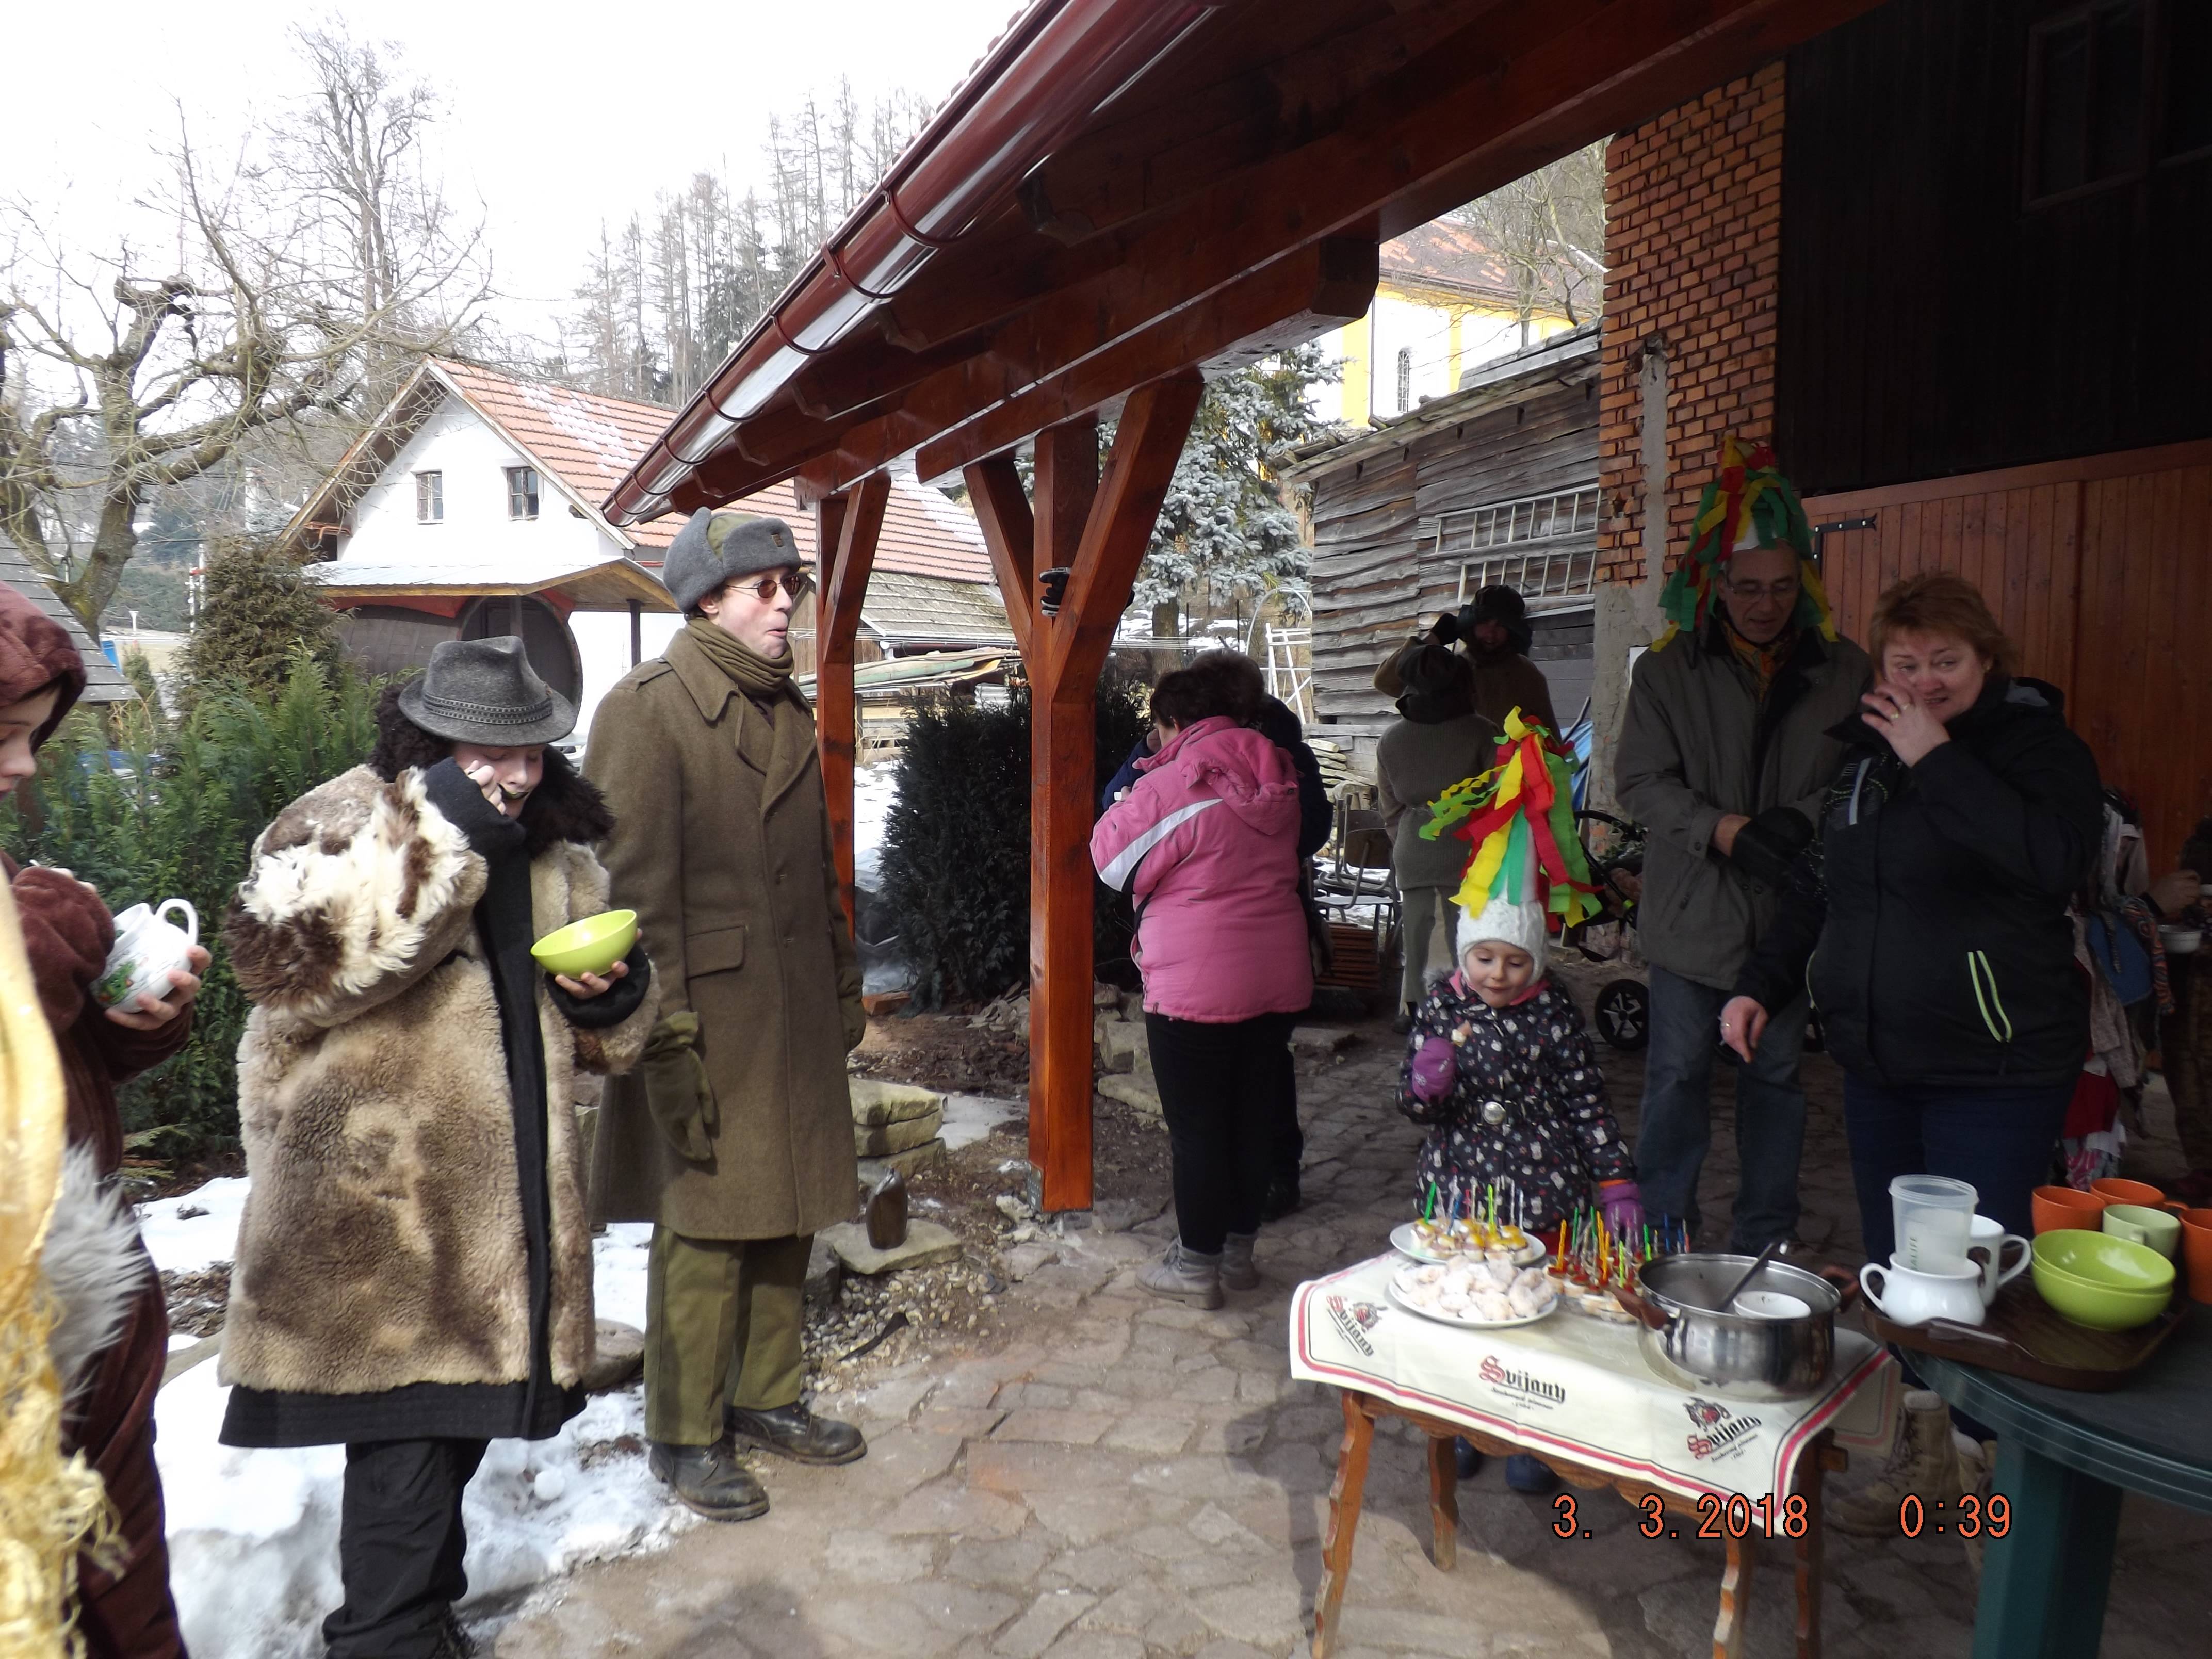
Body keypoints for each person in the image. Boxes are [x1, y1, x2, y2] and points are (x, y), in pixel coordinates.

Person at [220, 637, 657, 1659]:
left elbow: (608, 1043)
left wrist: (614, 994)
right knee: (405, 1442)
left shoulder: (556, 856)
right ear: (425, 744)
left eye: (530, 755)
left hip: (499, 1213)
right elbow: (296, 979)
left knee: (449, 1432)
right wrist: (444, 837)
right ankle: (385, 1637)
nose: (515, 777)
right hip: (379, 1203)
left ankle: (420, 1618)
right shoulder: (338, 824)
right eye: (486, 755)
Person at [1721, 571, 2102, 1532]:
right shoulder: (1864, 762)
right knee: (1900, 1266)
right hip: (1879, 1063)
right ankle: (1926, 1454)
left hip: (1995, 1066)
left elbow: (2054, 860)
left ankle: (1993, 1486)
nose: (1924, 682)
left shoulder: (2035, 749)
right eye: (1904, 664)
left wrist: (1937, 757)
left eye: (1945, 662)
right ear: (1879, 669)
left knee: (1978, 1277)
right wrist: (1760, 983)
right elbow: (1821, 886)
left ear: (1986, 662)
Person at [589, 508, 870, 1524]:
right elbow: (630, 900)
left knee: (787, 1213)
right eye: (765, 588)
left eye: (790, 586)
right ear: (708, 600)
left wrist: (842, 986)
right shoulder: (647, 711)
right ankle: (683, 1434)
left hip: (792, 1016)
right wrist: (663, 1040)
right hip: (707, 1023)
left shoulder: (781, 704)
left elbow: (819, 870)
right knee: (705, 1229)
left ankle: (765, 1397)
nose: (785, 604)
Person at [2, 585, 201, 1657]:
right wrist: (49, 932)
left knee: (121, 1595)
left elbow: (41, 1072)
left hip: (83, 1320)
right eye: (2, 736)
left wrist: (125, 1031)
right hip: (20, 1361)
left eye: (31, 737)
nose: (24, 767)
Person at [1615, 439, 1871, 1254]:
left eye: (1783, 587)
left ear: (1805, 583)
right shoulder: (1669, 672)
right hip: (1692, 916)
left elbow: (1865, 777)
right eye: (1749, 588)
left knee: (1777, 1080)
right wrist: (1725, 830)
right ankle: (1664, 1233)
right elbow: (1641, 782)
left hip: (1787, 920)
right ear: (1718, 585)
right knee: (1677, 1077)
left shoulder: (1845, 670)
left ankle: (1767, 1236)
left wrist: (1800, 819)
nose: (1766, 605)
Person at [1397, 711, 1640, 1494]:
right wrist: (1428, 1082)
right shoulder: (1443, 1006)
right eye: (1485, 958)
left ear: (1534, 958)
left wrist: (1614, 1178)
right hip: (1461, 1189)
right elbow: (1416, 1108)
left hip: (1543, 1189)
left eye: (1514, 961)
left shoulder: (1554, 1008)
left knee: (1538, 1311)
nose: (1498, 975)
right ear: (1465, 954)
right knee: (1467, 1307)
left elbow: (1584, 1097)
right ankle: (1462, 1419)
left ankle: (1532, 1433)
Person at [1092, 661, 1313, 1310]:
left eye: (1158, 728)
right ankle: (1238, 1258)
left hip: (1196, 982)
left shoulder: (1176, 780)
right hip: (1275, 972)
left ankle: (1195, 1268)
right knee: (1251, 1120)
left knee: (1198, 1130)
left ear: (1173, 721)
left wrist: (1136, 790)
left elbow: (1111, 861)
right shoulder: (1278, 767)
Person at [1375, 644, 1497, 1030]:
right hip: (1473, 854)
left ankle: (1416, 1014)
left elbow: (1391, 811)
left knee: (1419, 939)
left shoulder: (1391, 740)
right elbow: (1500, 801)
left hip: (1414, 850)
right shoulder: (1484, 733)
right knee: (1469, 943)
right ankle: (1465, 1020)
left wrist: (1411, 839)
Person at [1373, 584, 1558, 733]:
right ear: (1471, 624)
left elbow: (1550, 739)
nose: (1491, 634)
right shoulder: (1448, 669)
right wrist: (1432, 639)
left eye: (1500, 626)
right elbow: (1386, 683)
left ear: (1512, 632)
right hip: (1456, 767)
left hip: (1508, 769)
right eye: (1484, 623)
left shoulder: (1526, 675)